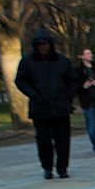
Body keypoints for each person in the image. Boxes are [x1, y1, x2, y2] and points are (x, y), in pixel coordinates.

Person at [15, 30, 75, 179]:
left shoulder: (62, 61)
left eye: (45, 44)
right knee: (43, 141)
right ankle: (47, 167)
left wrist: (67, 96)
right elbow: (20, 81)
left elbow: (73, 80)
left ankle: (62, 167)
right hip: (40, 107)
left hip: (60, 107)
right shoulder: (28, 61)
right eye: (40, 45)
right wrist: (34, 95)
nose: (43, 47)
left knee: (63, 140)